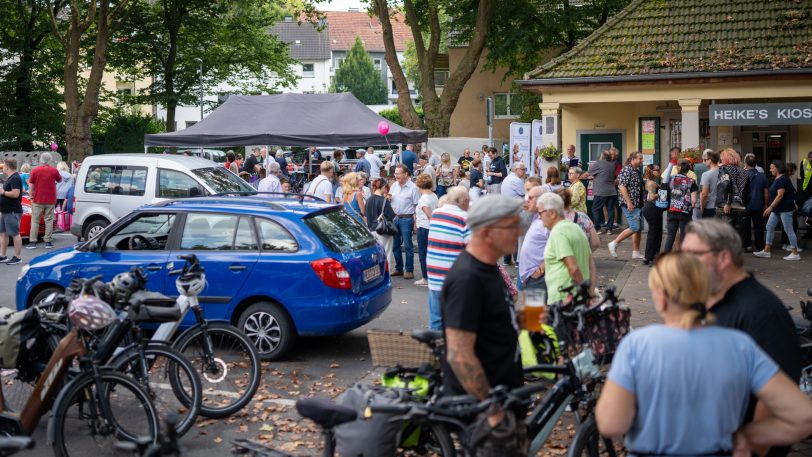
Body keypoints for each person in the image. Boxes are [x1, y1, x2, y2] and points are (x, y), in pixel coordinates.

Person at [595, 251, 812, 456]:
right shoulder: (739, 345)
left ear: (661, 297)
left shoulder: (637, 345)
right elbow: (804, 416)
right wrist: (750, 435)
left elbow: (611, 422)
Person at [681, 219, 805, 457]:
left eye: (692, 255)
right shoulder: (707, 301)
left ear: (723, 258)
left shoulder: (763, 314)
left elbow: (773, 402)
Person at [441, 194, 524, 438]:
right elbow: (459, 354)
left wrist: (520, 321)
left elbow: (490, 323)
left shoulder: (490, 269)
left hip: (504, 397)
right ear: (487, 232)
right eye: (512, 226)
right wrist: (491, 408)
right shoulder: (468, 278)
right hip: (483, 413)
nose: (519, 232)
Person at [426, 186, 470, 330]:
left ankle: (437, 351)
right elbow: (473, 249)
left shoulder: (436, 214)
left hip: (434, 275)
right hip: (455, 279)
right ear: (464, 201)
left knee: (436, 322)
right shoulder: (465, 218)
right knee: (457, 324)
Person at [539, 192, 591, 304]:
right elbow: (591, 265)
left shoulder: (558, 232)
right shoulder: (576, 228)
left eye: (540, 213)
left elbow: (573, 268)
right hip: (576, 299)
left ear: (552, 213)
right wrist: (588, 294)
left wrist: (585, 294)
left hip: (563, 300)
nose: (539, 217)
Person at [754, 160, 800, 260]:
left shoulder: (782, 179)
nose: (770, 170)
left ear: (778, 168)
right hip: (778, 209)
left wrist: (770, 207)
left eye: (772, 168)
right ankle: (766, 251)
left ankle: (795, 253)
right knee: (769, 226)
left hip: (784, 209)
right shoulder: (779, 178)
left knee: (788, 230)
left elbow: (780, 196)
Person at [608, 151, 645, 260]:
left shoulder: (636, 171)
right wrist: (629, 202)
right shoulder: (627, 170)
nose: (642, 160)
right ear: (633, 159)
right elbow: (622, 186)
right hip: (630, 204)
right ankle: (614, 243)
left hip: (637, 203)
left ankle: (636, 252)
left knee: (638, 229)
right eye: (640, 158)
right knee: (634, 227)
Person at [390, 165, 420, 279]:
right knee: (395, 245)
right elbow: (390, 199)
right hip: (395, 218)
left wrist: (415, 222)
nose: (395, 175)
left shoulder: (413, 188)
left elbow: (417, 206)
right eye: (395, 173)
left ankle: (409, 270)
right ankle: (398, 268)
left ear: (406, 174)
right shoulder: (393, 186)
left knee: (408, 245)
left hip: (407, 218)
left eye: (398, 173)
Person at [27, 151, 61, 249]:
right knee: (49, 220)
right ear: (50, 160)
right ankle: (48, 241)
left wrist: (31, 196)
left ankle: (32, 242)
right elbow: (59, 180)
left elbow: (31, 185)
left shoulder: (35, 170)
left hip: (37, 199)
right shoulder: (54, 170)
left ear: (41, 160)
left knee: (35, 221)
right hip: (50, 199)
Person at [663, 159, 698, 252]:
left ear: (677, 167)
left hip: (671, 210)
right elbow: (694, 200)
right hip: (685, 213)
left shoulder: (670, 179)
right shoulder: (691, 181)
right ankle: (683, 260)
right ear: (688, 169)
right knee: (684, 237)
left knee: (670, 236)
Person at [519, 186, 550, 290]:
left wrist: (540, 270)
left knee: (536, 306)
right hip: (530, 277)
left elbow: (559, 249)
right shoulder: (536, 216)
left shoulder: (548, 220)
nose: (527, 200)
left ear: (542, 199)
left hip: (538, 278)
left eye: (530, 197)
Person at [715, 148, 748, 242]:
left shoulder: (724, 169)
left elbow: (726, 184)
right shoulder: (743, 171)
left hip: (726, 206)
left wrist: (727, 203)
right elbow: (746, 190)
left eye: (721, 159)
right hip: (740, 206)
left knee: (723, 238)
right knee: (736, 238)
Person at [366, 178, 396, 267]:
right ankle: (387, 274)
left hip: (372, 229)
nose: (386, 189)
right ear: (382, 187)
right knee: (387, 253)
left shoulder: (369, 199)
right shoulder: (384, 200)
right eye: (386, 187)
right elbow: (391, 216)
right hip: (383, 230)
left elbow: (366, 214)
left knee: (376, 254)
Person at [414, 174, 438, 287]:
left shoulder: (423, 199)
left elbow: (430, 216)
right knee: (431, 253)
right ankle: (431, 275)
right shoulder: (434, 195)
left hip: (424, 227)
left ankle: (426, 277)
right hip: (431, 228)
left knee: (423, 253)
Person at [743, 153, 769, 253]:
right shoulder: (762, 176)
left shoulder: (743, 175)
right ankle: (759, 246)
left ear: (745, 163)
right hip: (758, 204)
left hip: (746, 205)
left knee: (746, 226)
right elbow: (766, 191)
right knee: (759, 226)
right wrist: (766, 205)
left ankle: (747, 245)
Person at [586, 150, 618, 234]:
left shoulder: (598, 163)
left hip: (601, 191)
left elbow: (588, 173)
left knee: (595, 209)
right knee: (610, 210)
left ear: (602, 156)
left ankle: (598, 228)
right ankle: (609, 229)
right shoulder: (612, 164)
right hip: (611, 191)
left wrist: (580, 177)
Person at [0, 158, 24, 264]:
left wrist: (3, 192)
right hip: (6, 211)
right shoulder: (11, 178)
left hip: (12, 211)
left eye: (4, 166)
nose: (3, 168)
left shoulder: (14, 178)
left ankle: (17, 257)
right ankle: (2, 255)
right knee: (3, 233)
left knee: (15, 233)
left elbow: (16, 194)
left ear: (7, 167)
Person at [641, 164, 664, 265]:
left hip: (652, 209)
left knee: (656, 232)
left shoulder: (652, 182)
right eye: (657, 170)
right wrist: (662, 193)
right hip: (651, 208)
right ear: (652, 171)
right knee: (654, 232)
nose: (659, 172)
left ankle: (652, 255)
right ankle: (649, 256)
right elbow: (651, 197)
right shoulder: (651, 183)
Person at [699, 149, 720, 218]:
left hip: (710, 207)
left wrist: (702, 208)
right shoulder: (723, 171)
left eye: (705, 160)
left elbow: (704, 194)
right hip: (721, 207)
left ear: (710, 160)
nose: (704, 162)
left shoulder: (706, 174)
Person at [798, 150, 812, 239]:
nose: (811, 159)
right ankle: (809, 232)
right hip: (807, 192)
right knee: (808, 213)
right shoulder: (804, 163)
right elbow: (802, 176)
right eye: (809, 157)